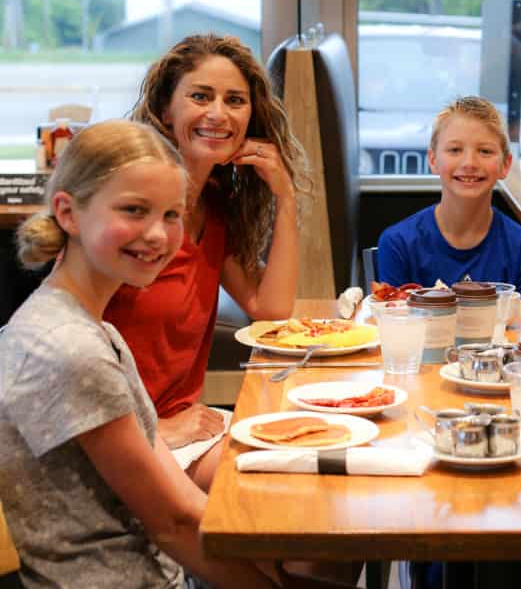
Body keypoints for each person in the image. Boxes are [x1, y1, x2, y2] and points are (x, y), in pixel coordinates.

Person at [0, 120, 277, 588]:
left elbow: (183, 503)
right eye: (134, 210)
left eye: (171, 215)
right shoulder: (72, 349)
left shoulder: (90, 325)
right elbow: (171, 524)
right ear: (68, 213)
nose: (157, 235)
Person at [103, 34, 310, 492]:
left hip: (186, 429)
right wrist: (153, 428)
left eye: (234, 100)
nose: (218, 113)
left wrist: (286, 196)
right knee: (296, 502)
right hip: (119, 438)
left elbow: (269, 308)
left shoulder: (212, 205)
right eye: (200, 96)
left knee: (318, 495)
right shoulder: (125, 210)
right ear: (164, 110)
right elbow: (68, 345)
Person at [377, 95, 521, 299]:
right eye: (455, 150)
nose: (469, 163)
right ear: (433, 159)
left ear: (506, 165)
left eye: (485, 151)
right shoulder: (398, 244)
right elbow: (395, 324)